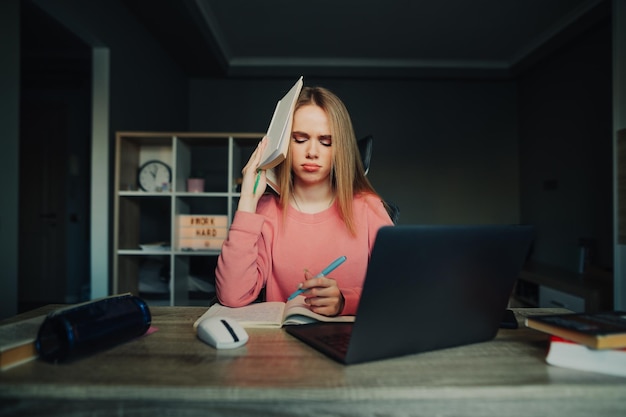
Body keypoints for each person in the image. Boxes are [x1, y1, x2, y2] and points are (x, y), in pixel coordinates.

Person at [215, 85, 393, 317]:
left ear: (341, 148)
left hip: (352, 341)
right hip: (282, 346)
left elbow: (399, 287)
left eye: (326, 141)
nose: (312, 152)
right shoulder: (267, 211)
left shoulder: (368, 207)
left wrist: (344, 302)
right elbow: (231, 296)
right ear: (284, 144)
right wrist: (247, 202)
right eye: (300, 139)